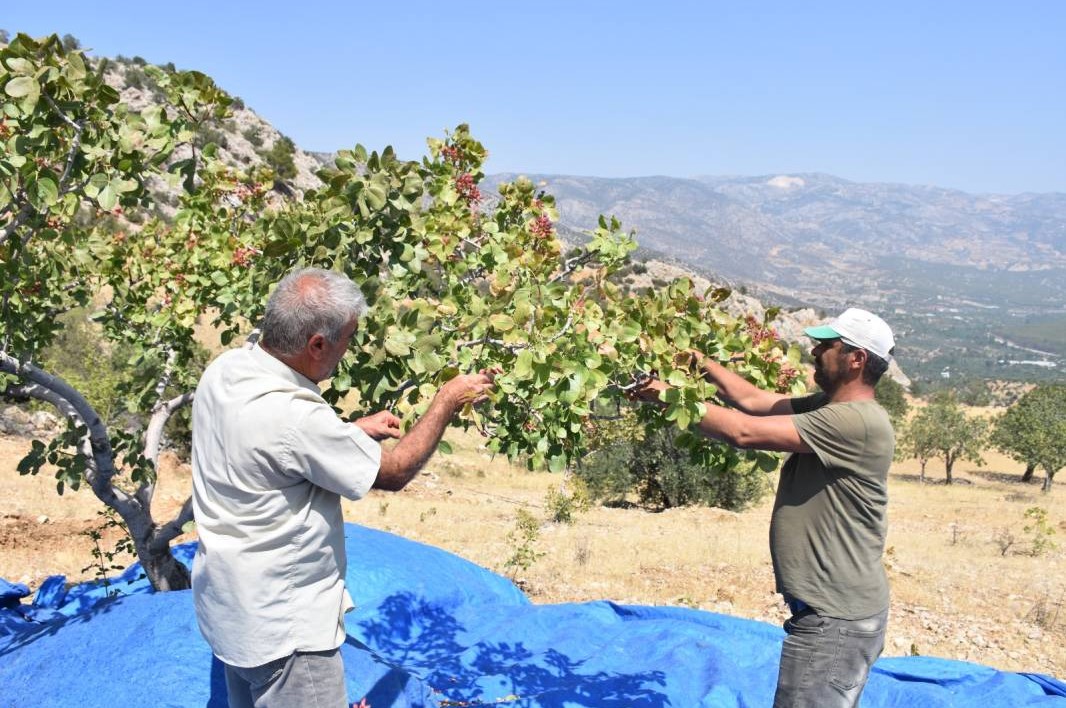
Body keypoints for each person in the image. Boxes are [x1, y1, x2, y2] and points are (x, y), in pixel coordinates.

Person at [190, 267, 496, 708]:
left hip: (230, 609)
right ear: (317, 344)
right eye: (349, 337)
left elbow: (274, 449)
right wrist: (447, 399)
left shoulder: (229, 369)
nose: (349, 348)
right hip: (286, 633)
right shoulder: (296, 419)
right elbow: (392, 472)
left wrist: (346, 432)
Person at [631, 307, 896, 708]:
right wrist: (699, 363)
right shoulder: (828, 408)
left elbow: (744, 431)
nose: (815, 351)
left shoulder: (856, 422)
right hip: (833, 612)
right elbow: (752, 401)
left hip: (837, 620)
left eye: (827, 345)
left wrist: (663, 393)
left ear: (856, 359)